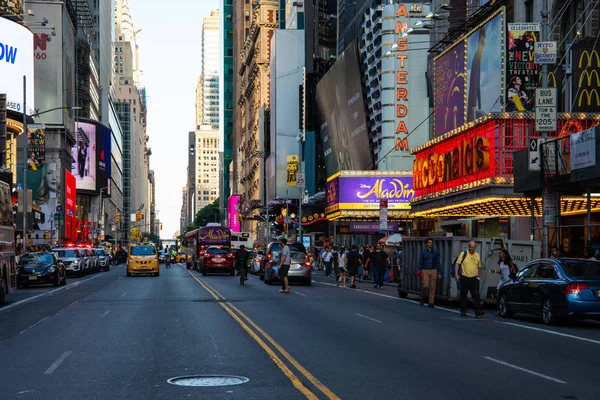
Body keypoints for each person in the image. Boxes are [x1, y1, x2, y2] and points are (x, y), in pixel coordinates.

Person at [455, 241, 485, 317]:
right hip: (465, 277)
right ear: (469, 247)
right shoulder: (463, 254)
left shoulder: (477, 255)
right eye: (471, 247)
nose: (472, 249)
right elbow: (458, 264)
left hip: (474, 278)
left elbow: (479, 267)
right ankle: (463, 310)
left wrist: (479, 276)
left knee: (476, 295)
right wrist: (456, 274)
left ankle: (477, 311)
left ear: (475, 247)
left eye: (473, 247)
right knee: (463, 295)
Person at [418, 238, 442, 308]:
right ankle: (422, 296)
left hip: (433, 270)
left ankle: (431, 302)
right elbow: (420, 262)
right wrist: (420, 271)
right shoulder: (423, 252)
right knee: (426, 285)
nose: (431, 244)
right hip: (425, 270)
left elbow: (438, 263)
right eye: (429, 242)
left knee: (433, 287)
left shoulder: (435, 253)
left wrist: (439, 272)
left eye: (431, 242)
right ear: (426, 244)